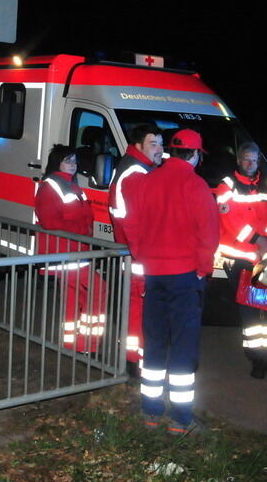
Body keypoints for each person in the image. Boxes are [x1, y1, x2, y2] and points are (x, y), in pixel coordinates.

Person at [131, 129, 219, 434]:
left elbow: (137, 228)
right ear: (195, 155)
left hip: (154, 275)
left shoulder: (147, 180)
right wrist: (202, 270)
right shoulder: (196, 185)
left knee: (154, 343)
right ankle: (181, 419)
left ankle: (150, 412)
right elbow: (208, 235)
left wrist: (145, 263)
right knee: (182, 348)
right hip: (184, 276)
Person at [214, 142, 267, 379]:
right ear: (238, 160)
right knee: (250, 314)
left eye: (253, 160)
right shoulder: (227, 186)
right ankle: (256, 360)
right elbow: (229, 221)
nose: (249, 164)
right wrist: (257, 238)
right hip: (243, 260)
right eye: (245, 159)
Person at [35, 145, 105, 353]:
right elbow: (50, 222)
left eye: (74, 161)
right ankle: (88, 345)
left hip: (76, 253)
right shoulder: (51, 186)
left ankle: (71, 343)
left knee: (73, 298)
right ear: (57, 163)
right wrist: (83, 230)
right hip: (65, 253)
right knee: (99, 290)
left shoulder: (72, 186)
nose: (73, 165)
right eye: (68, 161)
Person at [108, 123, 163, 374]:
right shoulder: (136, 174)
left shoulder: (135, 168)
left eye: (161, 144)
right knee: (139, 312)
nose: (159, 150)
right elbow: (134, 223)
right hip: (139, 256)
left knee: (136, 310)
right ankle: (136, 364)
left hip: (135, 254)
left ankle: (134, 360)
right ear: (139, 145)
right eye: (153, 144)